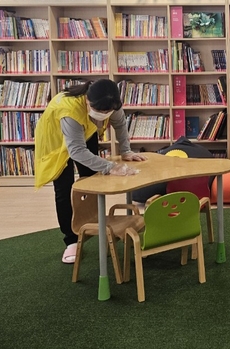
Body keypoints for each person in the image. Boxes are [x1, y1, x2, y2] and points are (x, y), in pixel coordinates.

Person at [34, 79, 147, 264]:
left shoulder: (111, 102)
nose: (103, 115)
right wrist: (111, 167)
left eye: (107, 112)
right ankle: (71, 240)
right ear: (87, 100)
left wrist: (126, 151)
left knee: (91, 179)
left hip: (86, 130)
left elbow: (119, 124)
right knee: (64, 189)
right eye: (99, 111)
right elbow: (76, 151)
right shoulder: (69, 109)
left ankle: (91, 222)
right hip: (56, 140)